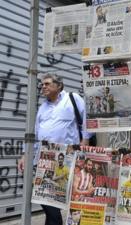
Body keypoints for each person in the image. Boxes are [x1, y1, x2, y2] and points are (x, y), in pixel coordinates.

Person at [18, 74, 91, 225]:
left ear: (59, 86)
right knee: (47, 201)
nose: (43, 86)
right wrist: (26, 155)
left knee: (73, 201)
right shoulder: (43, 107)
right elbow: (35, 133)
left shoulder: (73, 99)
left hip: (69, 159)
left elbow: (87, 121)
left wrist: (85, 143)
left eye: (47, 84)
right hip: (45, 160)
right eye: (42, 84)